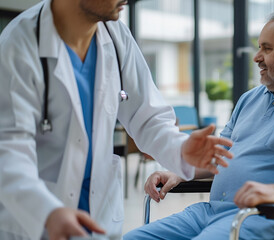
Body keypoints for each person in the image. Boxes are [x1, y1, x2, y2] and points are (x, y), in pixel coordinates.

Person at [0, 0, 233, 239]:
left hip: (97, 215)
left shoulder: (116, 36)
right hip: (35, 217)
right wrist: (46, 212)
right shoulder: (19, 44)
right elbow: (8, 152)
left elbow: (149, 116)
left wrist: (181, 148)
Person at [124, 9, 274, 240]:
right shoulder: (250, 99)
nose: (256, 57)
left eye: (267, 48)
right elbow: (222, 154)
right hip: (212, 212)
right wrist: (180, 173)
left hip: (272, 217)